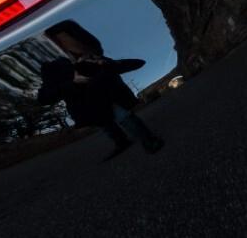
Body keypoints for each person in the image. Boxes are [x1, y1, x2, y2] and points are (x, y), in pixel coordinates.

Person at [38, 20, 165, 155]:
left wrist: (105, 64)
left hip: (107, 95)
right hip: (85, 104)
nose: (70, 43)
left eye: (69, 37)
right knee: (104, 122)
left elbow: (123, 65)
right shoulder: (51, 68)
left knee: (123, 116)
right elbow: (44, 97)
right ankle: (122, 142)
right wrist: (73, 83)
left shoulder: (91, 54)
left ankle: (148, 140)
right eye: (61, 39)